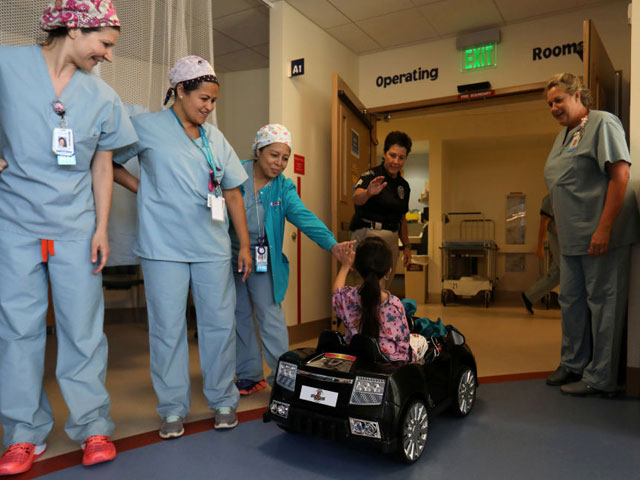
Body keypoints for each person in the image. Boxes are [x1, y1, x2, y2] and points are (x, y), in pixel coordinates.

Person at [0, 0, 138, 474]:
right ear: (76, 28)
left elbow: (103, 163)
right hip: (15, 222)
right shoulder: (6, 63)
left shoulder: (101, 97)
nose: (109, 55)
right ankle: (22, 433)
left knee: (82, 329)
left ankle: (93, 425)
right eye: (105, 44)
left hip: (77, 227)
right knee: (17, 330)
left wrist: (101, 228)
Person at [113, 56, 252, 438]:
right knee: (167, 328)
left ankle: (223, 400)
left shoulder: (214, 138)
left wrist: (241, 244)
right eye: (203, 99)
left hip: (212, 246)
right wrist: (143, 190)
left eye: (213, 101)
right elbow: (107, 162)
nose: (208, 107)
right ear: (179, 91)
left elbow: (233, 193)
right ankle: (172, 409)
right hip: (163, 247)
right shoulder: (146, 127)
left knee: (218, 326)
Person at [230, 124, 354, 394]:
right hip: (230, 256)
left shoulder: (283, 187)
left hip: (262, 258)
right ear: (258, 151)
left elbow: (304, 217)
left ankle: (283, 378)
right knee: (238, 314)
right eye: (274, 155)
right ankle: (250, 374)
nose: (280, 163)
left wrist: (332, 245)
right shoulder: (234, 172)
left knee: (269, 313)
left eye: (285, 158)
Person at [543, 73, 640, 396]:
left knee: (604, 304)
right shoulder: (565, 135)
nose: (554, 107)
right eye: (550, 103)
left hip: (601, 235)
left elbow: (621, 174)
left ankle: (600, 378)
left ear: (578, 95)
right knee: (570, 301)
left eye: (559, 100)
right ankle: (573, 363)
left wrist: (604, 228)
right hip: (571, 237)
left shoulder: (602, 123)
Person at [332, 237, 427, 362]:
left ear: (356, 268)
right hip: (389, 363)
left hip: (357, 356)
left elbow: (336, 292)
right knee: (421, 340)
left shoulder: (348, 299)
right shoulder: (394, 304)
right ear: (388, 272)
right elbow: (403, 343)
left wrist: (345, 266)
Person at [350, 131, 413, 286]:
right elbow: (356, 198)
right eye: (392, 155)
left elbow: (402, 219)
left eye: (401, 157)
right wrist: (368, 193)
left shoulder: (404, 186)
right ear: (384, 154)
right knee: (363, 286)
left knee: (384, 288)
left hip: (391, 238)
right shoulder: (371, 175)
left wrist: (406, 246)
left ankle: (379, 311)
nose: (396, 161)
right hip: (367, 234)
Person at [521, 194, 559, 314]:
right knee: (565, 271)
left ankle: (529, 297)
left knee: (557, 273)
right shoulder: (550, 199)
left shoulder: (564, 195)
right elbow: (544, 223)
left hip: (564, 238)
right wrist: (540, 247)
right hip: (557, 238)